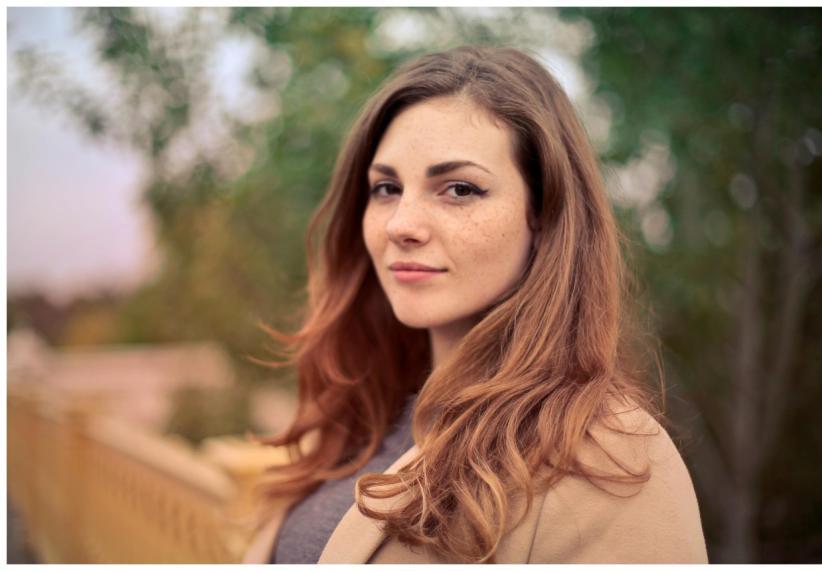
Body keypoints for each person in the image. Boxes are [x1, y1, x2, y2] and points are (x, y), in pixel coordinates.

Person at [243, 45, 707, 564]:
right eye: (387, 188)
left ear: (543, 214)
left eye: (459, 189)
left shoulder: (609, 457)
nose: (401, 225)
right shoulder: (361, 418)